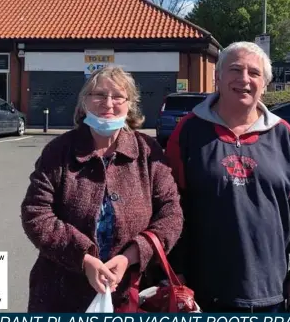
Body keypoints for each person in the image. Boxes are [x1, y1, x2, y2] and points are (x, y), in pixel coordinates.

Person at [166, 41, 290, 313]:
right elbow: (171, 208)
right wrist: (175, 272)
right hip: (202, 292)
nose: (244, 79)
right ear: (218, 77)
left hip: (270, 291)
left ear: (265, 84)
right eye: (235, 70)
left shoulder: (283, 134)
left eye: (254, 73)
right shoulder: (188, 131)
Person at [21, 66, 183, 312]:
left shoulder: (149, 151)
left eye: (118, 96)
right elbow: (36, 212)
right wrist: (83, 258)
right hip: (60, 294)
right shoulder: (59, 151)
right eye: (98, 95)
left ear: (130, 104)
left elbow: (171, 213)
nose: (108, 103)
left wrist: (130, 256)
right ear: (84, 102)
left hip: (132, 294)